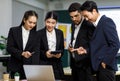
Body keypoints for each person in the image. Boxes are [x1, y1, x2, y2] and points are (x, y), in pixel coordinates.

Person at [80, 1, 120, 81]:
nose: (86, 19)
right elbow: (100, 45)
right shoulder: (95, 25)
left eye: (86, 16)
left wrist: (105, 62)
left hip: (105, 67)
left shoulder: (106, 22)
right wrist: (86, 51)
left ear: (94, 11)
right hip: (99, 67)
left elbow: (115, 45)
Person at [7, 10, 38, 80]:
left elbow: (36, 52)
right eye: (30, 22)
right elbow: (9, 48)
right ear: (24, 20)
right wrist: (22, 53)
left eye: (34, 23)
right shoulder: (13, 31)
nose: (32, 25)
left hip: (29, 69)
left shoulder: (36, 34)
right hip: (15, 67)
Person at [68, 2, 95, 81]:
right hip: (74, 65)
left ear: (82, 13)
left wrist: (84, 51)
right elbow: (75, 40)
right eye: (71, 17)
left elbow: (93, 46)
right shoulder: (73, 25)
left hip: (85, 66)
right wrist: (70, 47)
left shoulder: (89, 25)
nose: (74, 19)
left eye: (76, 16)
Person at [37, 11, 64, 80]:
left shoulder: (60, 33)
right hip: (44, 64)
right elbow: (36, 51)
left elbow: (62, 49)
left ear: (56, 23)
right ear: (45, 21)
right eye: (48, 22)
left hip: (57, 65)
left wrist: (60, 54)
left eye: (53, 23)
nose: (50, 25)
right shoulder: (39, 33)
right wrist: (45, 54)